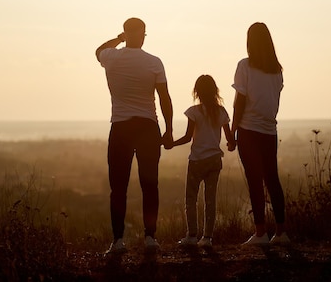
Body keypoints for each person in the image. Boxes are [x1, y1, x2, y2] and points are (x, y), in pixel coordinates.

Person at [95, 18, 173, 254]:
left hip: (121, 128)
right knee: (150, 185)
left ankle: (118, 241)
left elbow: (99, 50)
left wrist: (118, 40)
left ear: (126, 34)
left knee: (118, 187)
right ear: (143, 35)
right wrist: (168, 130)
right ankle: (150, 237)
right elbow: (164, 98)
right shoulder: (154, 62)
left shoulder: (111, 57)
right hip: (148, 127)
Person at [231, 22, 291, 246]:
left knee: (254, 181)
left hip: (248, 129)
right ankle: (281, 232)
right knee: (272, 179)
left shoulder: (244, 66)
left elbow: (240, 101)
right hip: (269, 130)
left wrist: (232, 129)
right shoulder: (277, 70)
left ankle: (260, 233)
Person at [167, 75, 235, 249]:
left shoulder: (194, 111)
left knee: (191, 198)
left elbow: (188, 137)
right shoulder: (221, 112)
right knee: (210, 199)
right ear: (215, 91)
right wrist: (231, 144)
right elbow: (229, 138)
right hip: (214, 160)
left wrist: (171, 143)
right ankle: (207, 237)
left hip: (197, 160)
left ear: (197, 92)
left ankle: (191, 235)